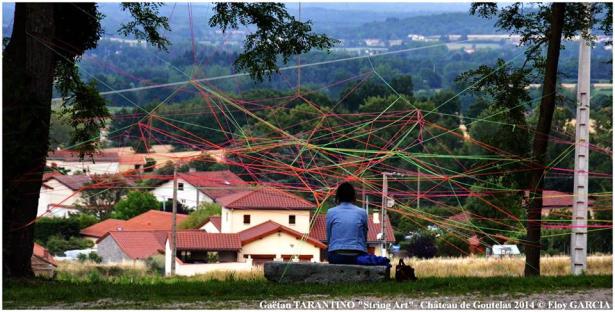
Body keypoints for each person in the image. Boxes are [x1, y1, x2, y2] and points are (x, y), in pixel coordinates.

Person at [326, 182, 390, 267]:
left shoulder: (331, 212)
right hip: (357, 255)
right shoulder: (362, 212)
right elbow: (364, 236)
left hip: (337, 256)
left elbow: (329, 237)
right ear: (353, 196)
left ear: (338, 196)